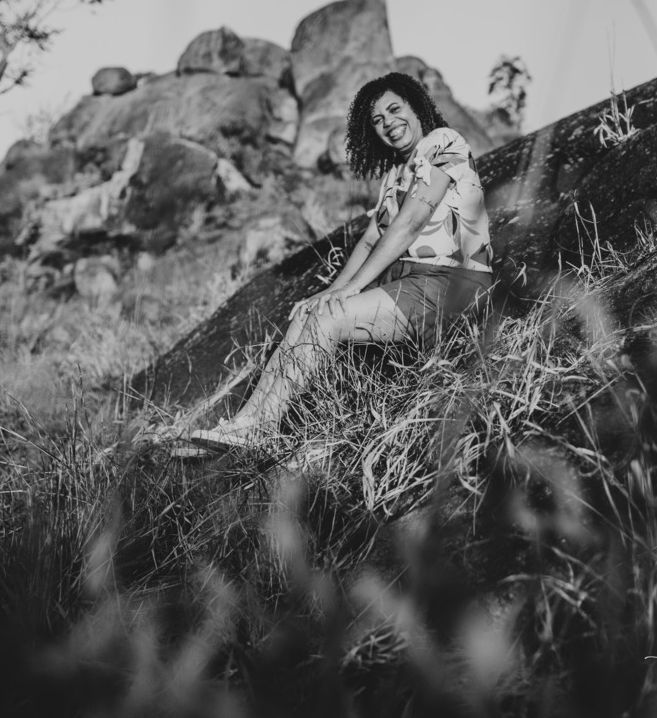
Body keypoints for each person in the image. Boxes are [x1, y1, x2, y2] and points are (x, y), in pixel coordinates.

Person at [189, 72, 493, 451]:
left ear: (417, 107)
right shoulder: (395, 174)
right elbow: (371, 238)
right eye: (377, 121)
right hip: (408, 283)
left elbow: (411, 222)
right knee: (310, 312)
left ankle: (260, 429)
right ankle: (247, 423)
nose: (388, 124)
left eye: (394, 110)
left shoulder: (443, 142)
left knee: (329, 319)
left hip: (450, 284)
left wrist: (352, 288)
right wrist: (331, 291)